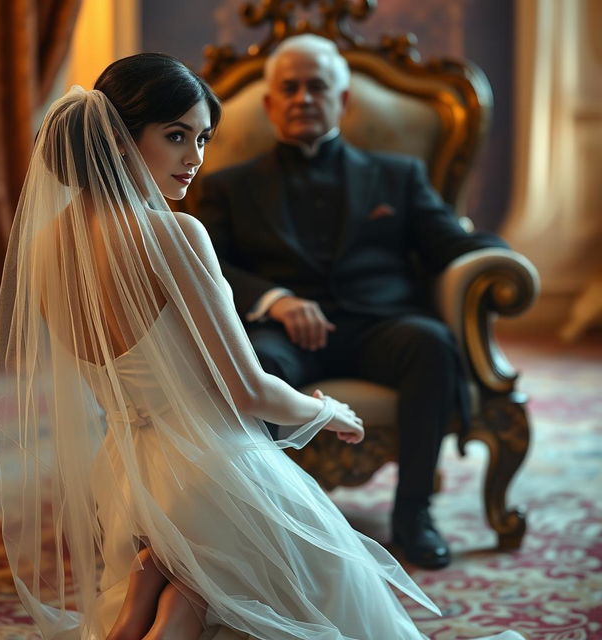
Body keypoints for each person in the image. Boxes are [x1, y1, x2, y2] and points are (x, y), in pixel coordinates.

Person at [0, 53, 523, 640]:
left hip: (128, 483)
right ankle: (167, 592)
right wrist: (326, 411)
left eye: (202, 139)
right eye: (175, 136)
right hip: (209, 471)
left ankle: (158, 596)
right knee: (334, 582)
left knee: (203, 593)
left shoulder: (42, 246)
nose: (194, 159)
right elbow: (247, 389)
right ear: (118, 139)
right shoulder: (174, 233)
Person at [195, 35, 510, 570]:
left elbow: (449, 244)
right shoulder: (229, 186)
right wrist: (274, 300)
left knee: (431, 344)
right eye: (288, 88)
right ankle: (269, 519)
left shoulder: (398, 175)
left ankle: (414, 515)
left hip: (379, 327)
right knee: (257, 366)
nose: (302, 98)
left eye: (316, 87)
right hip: (284, 333)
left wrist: (504, 260)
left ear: (341, 101)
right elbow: (208, 263)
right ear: (271, 104)